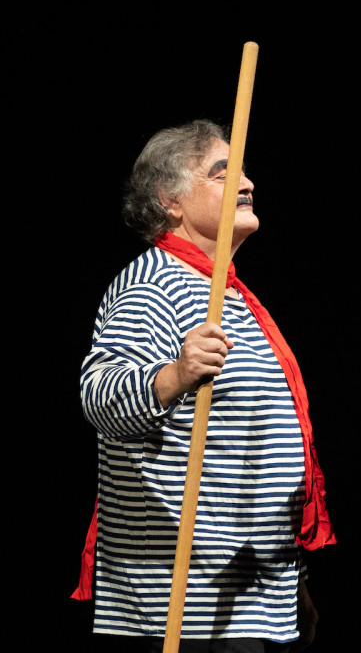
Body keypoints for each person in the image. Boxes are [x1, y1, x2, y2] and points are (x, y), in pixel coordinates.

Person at [74, 120, 335, 651]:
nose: (247, 182)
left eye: (244, 171)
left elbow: (254, 451)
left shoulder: (230, 295)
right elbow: (99, 397)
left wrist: (295, 584)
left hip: (255, 597)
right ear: (170, 200)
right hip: (183, 604)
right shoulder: (153, 283)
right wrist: (175, 375)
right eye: (223, 172)